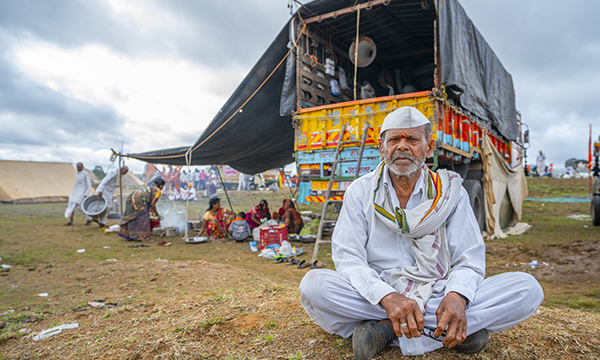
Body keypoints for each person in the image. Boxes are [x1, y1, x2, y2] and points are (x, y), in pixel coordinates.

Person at [299, 107, 543, 358]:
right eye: (394, 139)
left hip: (439, 292)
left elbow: (468, 259)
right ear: (381, 147)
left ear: (429, 148)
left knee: (527, 289)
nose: (402, 147)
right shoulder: (360, 192)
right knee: (314, 285)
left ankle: (387, 330)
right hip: (381, 295)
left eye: (412, 139)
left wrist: (457, 297)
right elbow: (349, 259)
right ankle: (446, 331)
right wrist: (388, 297)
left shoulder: (450, 192)